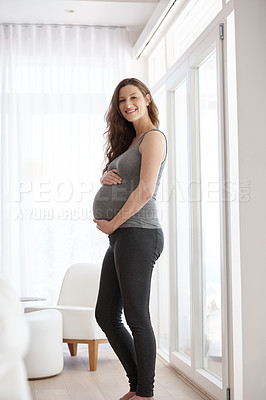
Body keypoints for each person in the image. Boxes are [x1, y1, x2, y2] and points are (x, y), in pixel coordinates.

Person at [93, 77, 166, 400]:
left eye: (133, 97)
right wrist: (105, 175)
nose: (127, 105)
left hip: (139, 233)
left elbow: (146, 190)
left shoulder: (153, 137)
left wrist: (113, 224)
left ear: (147, 98)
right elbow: (126, 178)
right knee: (105, 314)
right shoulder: (132, 141)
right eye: (122, 101)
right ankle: (138, 387)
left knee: (136, 315)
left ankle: (144, 393)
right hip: (124, 235)